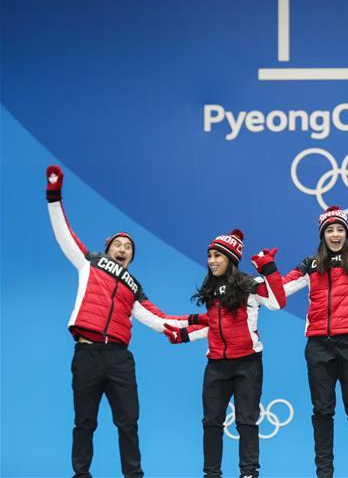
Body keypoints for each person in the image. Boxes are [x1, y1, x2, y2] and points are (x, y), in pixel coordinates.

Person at [45, 164, 194, 478]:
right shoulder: (89, 263)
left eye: (129, 248)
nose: (123, 249)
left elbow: (159, 319)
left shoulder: (133, 287)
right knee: (84, 421)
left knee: (128, 423)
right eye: (119, 245)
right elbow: (64, 234)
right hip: (87, 354)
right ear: (108, 248)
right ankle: (81, 474)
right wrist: (54, 193)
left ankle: (133, 475)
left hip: (119, 359)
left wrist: (199, 320)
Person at [269, 174, 348, 478]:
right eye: (330, 230)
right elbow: (276, 298)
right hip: (318, 347)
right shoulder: (310, 265)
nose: (335, 235)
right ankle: (324, 473)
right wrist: (268, 270)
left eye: (340, 229)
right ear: (322, 234)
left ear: (346, 233)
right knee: (322, 412)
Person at [163, 229, 286, 478]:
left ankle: (249, 473)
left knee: (246, 422)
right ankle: (211, 474)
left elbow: (278, 302)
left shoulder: (250, 284)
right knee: (211, 423)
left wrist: (269, 268)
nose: (211, 260)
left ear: (230, 258)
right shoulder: (210, 288)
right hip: (216, 364)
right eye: (209, 255)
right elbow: (212, 324)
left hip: (247, 364)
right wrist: (183, 335)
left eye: (217, 255)